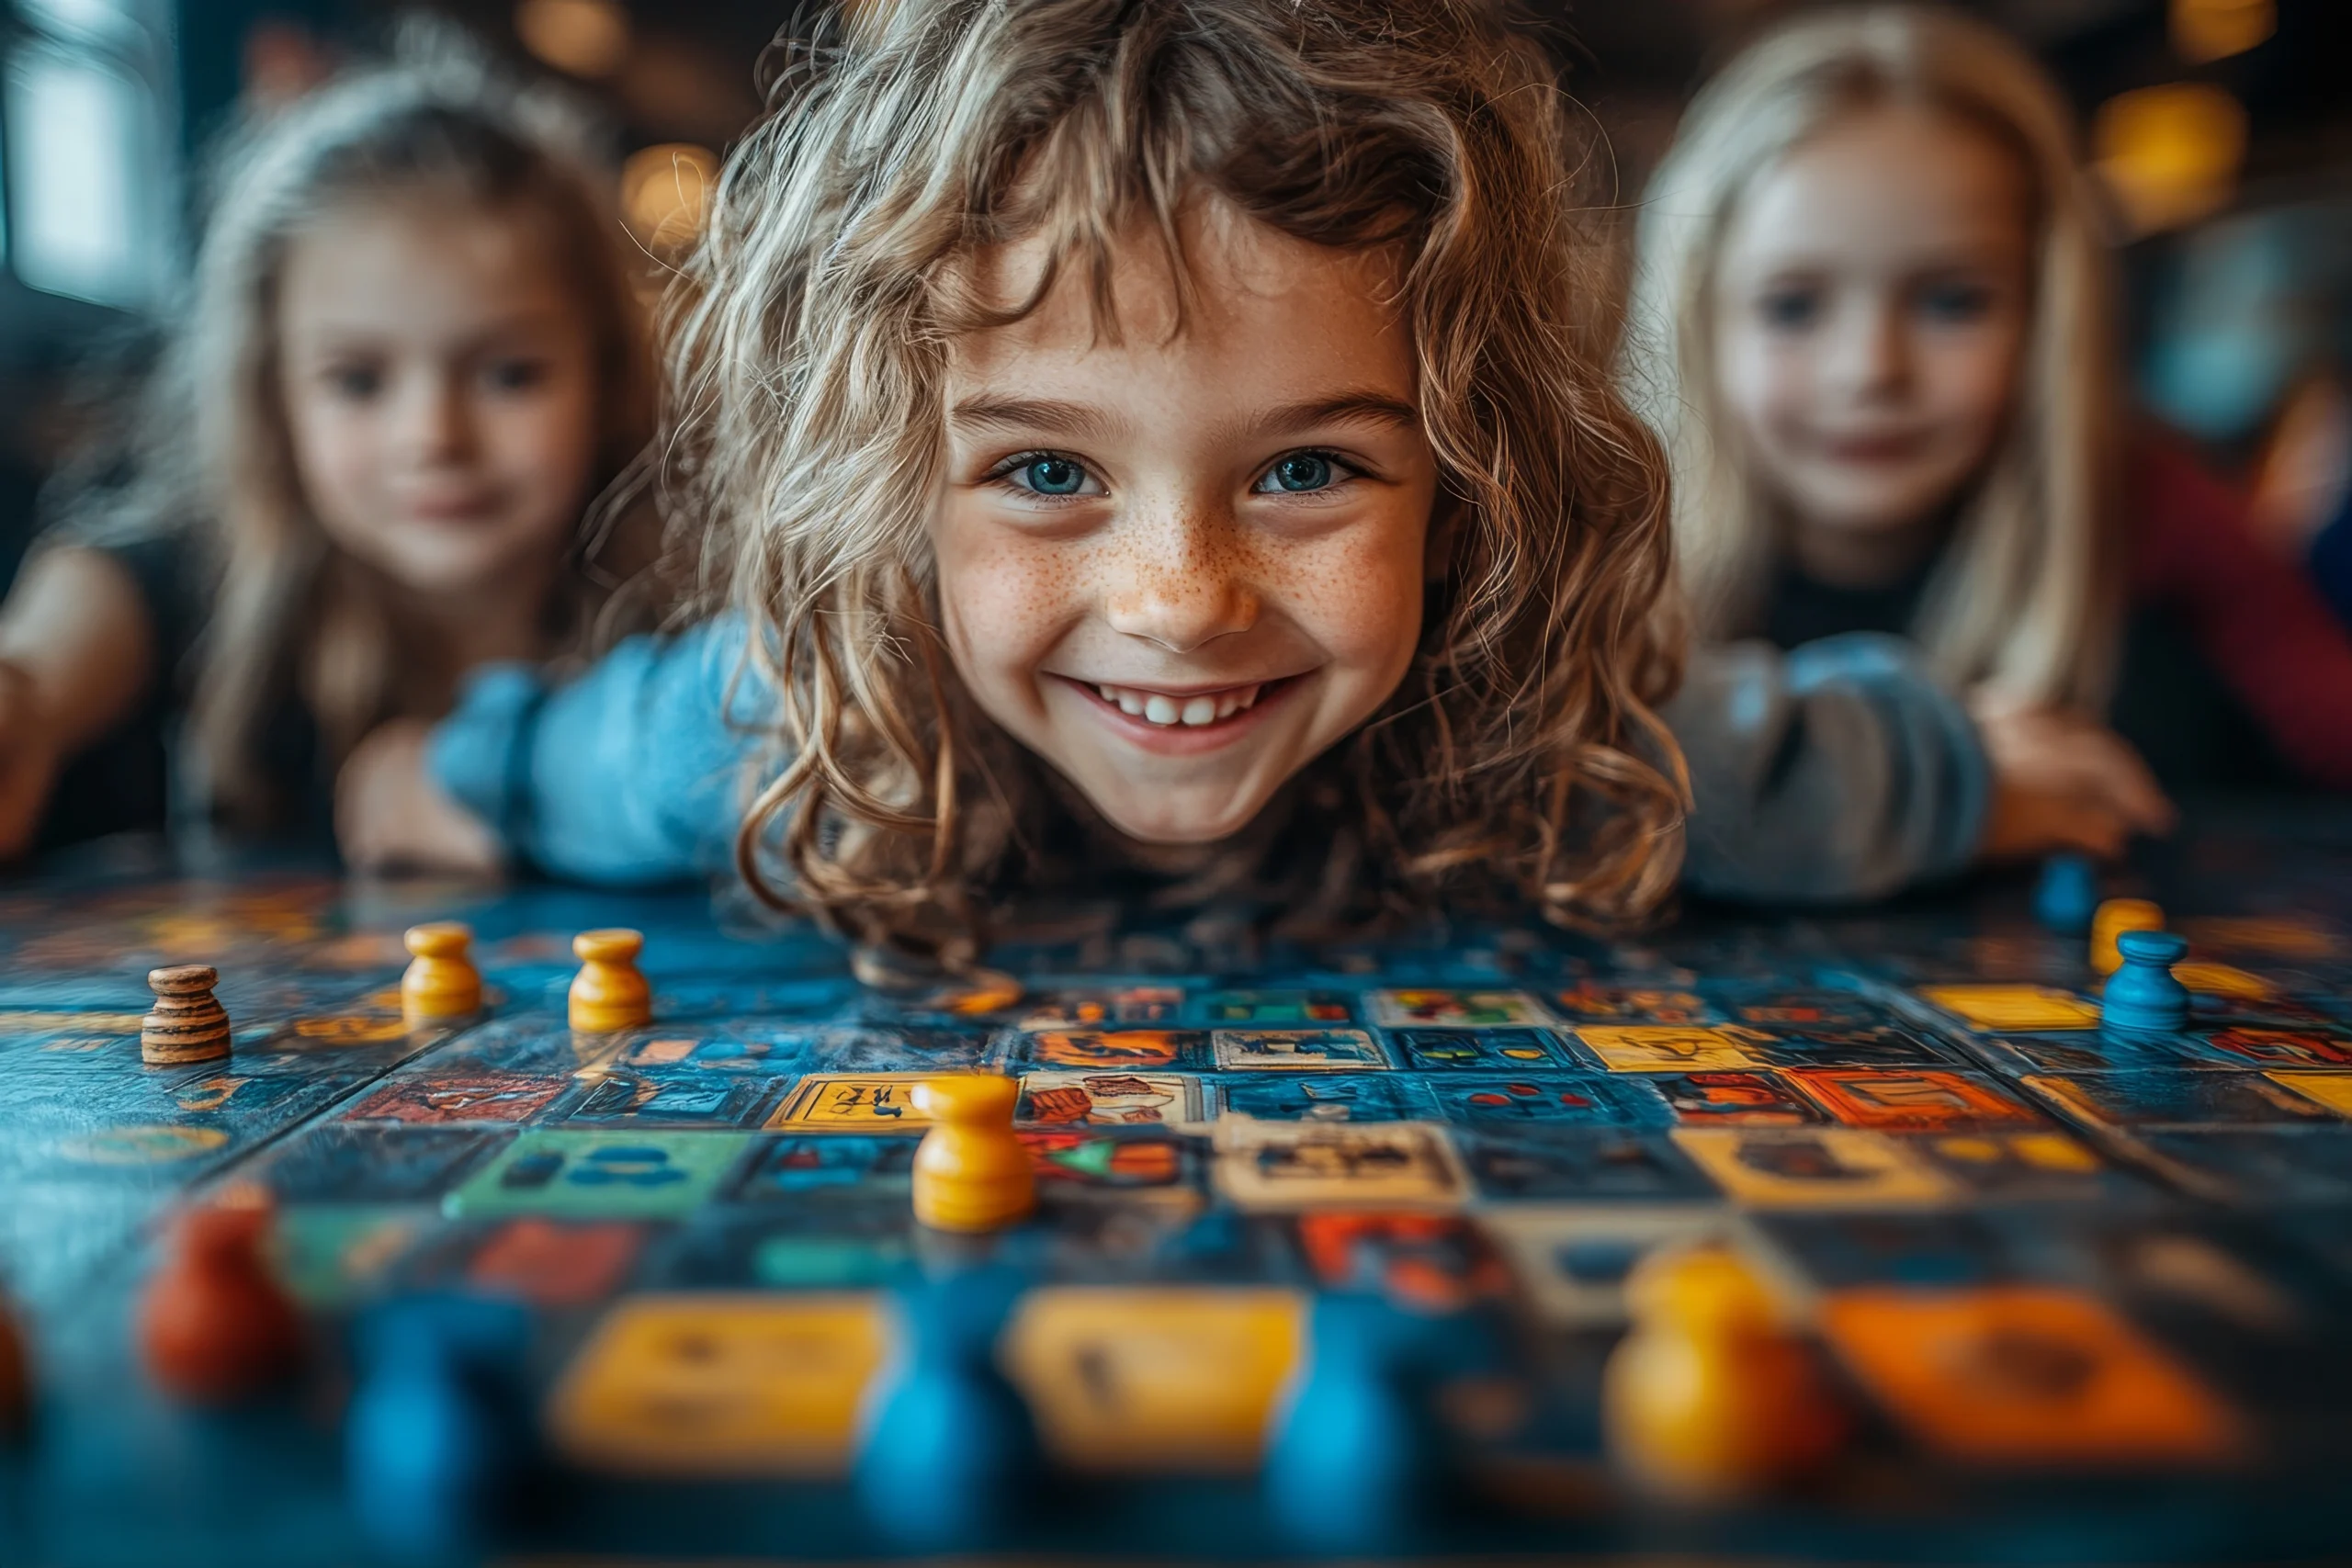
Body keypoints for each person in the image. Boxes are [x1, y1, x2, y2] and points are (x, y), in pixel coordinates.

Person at [339, 0, 2002, 957]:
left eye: (1306, 467)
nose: (1180, 599)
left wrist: (1968, 766)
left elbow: (1788, 766)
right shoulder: (798, 728)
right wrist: (436, 780)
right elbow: (568, 761)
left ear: (1467, 483)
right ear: (888, 483)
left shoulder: (1530, 723)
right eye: (1050, 467)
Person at [1623, 5, 2352, 863]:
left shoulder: (2153, 505)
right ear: (1696, 323)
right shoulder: (1606, 544)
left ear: (2050, 317)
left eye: (1951, 301)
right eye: (1793, 305)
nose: (1871, 368)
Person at [0, 39, 657, 860]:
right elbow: (110, 591)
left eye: (510, 375)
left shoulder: (678, 619)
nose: (432, 438)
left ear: (608, 376)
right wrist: (27, 684)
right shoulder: (226, 589)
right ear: (272, 398)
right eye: (357, 382)